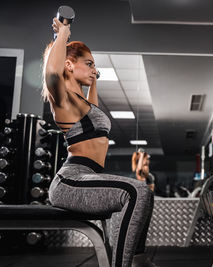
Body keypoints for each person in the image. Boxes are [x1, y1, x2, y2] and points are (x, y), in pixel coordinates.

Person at [45, 17, 155, 267]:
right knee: (134, 191)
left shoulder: (80, 103)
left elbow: (94, 115)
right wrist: (63, 33)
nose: (94, 68)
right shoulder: (63, 100)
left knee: (145, 192)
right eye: (89, 63)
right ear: (69, 65)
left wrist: (93, 82)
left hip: (87, 177)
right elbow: (52, 72)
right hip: (70, 181)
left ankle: (137, 260)